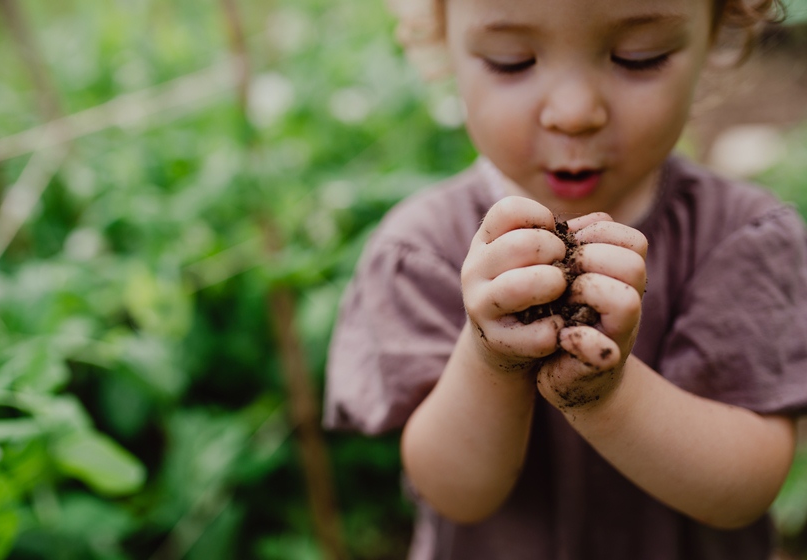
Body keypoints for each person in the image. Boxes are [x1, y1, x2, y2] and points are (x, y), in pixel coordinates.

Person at [323, 0, 807, 557]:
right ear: (441, 38)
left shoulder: (738, 239)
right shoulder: (423, 251)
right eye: (512, 61)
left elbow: (744, 487)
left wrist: (606, 395)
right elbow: (452, 492)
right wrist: (489, 361)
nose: (575, 113)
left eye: (638, 56)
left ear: (719, 30)